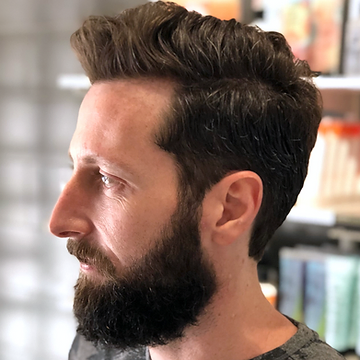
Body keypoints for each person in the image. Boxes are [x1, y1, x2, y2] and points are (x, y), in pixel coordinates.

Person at [49, 1, 345, 359]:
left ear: (231, 207)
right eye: (75, 169)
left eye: (109, 179)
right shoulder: (103, 343)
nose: (60, 221)